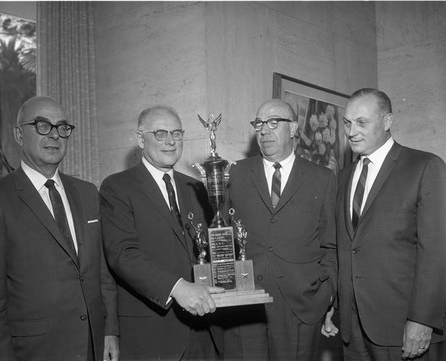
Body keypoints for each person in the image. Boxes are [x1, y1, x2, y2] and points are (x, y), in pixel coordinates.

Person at [0, 96, 119, 361]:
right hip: (34, 352)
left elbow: (101, 272)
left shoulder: (87, 193)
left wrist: (110, 331)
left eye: (62, 127)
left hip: (93, 347)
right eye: (42, 125)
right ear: (19, 135)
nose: (55, 135)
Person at [322, 88, 446, 360]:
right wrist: (332, 303)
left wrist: (422, 320)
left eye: (362, 122)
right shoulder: (342, 177)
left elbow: (436, 251)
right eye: (347, 122)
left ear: (388, 122)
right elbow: (344, 249)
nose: (351, 131)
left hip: (403, 327)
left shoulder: (424, 166)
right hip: (352, 329)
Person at [99, 105, 224, 360]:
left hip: (203, 331)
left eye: (176, 133)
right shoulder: (117, 187)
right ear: (140, 139)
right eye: (160, 133)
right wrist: (177, 288)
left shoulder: (197, 187)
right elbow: (122, 254)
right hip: (152, 333)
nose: (170, 141)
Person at [224, 99, 337, 360]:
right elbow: (222, 237)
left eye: (274, 123)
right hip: (246, 305)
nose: (264, 131)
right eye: (259, 123)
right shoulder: (234, 174)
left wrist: (326, 294)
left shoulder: (322, 178)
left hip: (300, 307)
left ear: (294, 129)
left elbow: (329, 245)